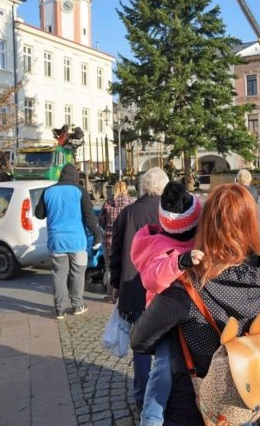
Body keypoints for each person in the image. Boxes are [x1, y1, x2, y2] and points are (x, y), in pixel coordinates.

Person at [131, 184, 260, 426]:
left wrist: (173, 339)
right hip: (242, 401)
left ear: (205, 223)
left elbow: (139, 339)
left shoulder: (187, 285)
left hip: (193, 407)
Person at [130, 181, 203, 426]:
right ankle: (151, 417)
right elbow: (153, 278)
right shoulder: (159, 245)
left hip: (191, 312)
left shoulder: (197, 237)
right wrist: (180, 262)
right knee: (163, 365)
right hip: (166, 316)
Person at [110, 166, 169, 414]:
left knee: (141, 345)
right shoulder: (168, 213)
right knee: (167, 345)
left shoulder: (128, 213)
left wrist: (115, 284)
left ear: (143, 186)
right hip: (164, 287)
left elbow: (116, 251)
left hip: (133, 288)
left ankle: (141, 394)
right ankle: (164, 394)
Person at [34, 162, 102, 319]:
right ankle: (77, 305)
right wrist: (97, 235)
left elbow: (39, 214)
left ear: (61, 175)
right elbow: (89, 217)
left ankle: (59, 309)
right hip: (77, 240)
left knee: (59, 274)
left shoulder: (48, 191)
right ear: (75, 177)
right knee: (77, 273)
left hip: (56, 241)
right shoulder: (80, 191)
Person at [98, 179, 133, 297]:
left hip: (109, 241)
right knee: (125, 266)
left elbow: (101, 222)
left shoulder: (107, 203)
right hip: (126, 241)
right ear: (125, 189)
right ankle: (124, 294)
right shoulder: (131, 203)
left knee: (109, 267)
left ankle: (110, 295)